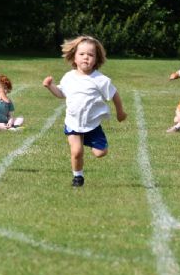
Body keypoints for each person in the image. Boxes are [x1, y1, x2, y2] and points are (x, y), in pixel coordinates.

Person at [42, 35, 127, 187]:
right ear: (74, 57)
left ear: (96, 59)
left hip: (92, 124)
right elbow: (61, 93)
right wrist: (50, 86)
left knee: (100, 153)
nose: (86, 57)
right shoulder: (69, 77)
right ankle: (78, 177)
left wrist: (120, 112)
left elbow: (114, 94)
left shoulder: (100, 80)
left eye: (90, 55)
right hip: (73, 122)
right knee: (76, 152)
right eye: (81, 54)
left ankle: (87, 139)